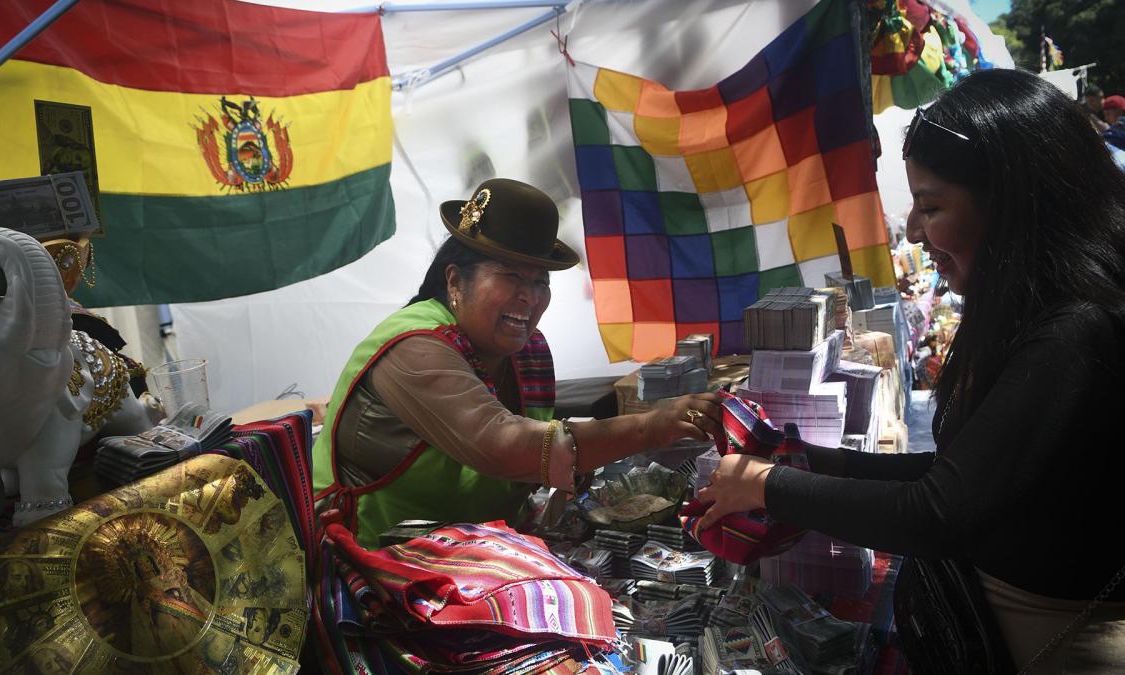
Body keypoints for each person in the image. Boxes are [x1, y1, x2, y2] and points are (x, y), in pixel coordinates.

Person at [697, 69, 1125, 672]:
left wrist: (767, 485)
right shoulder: (1033, 311)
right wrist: (814, 459)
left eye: (931, 207)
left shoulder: (1076, 331)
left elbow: (939, 512)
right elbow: (966, 473)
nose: (916, 233)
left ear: (1012, 201)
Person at [312, 178, 723, 548]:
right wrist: (648, 426)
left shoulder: (526, 350)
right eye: (510, 276)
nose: (530, 297)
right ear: (455, 281)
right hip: (371, 565)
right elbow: (501, 445)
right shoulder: (414, 347)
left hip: (474, 557)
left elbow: (536, 448)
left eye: (540, 281)